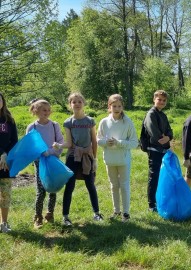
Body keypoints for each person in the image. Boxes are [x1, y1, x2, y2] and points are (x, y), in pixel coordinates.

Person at [53, 92, 103, 226]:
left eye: (79, 101)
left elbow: (94, 140)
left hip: (88, 157)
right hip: (73, 157)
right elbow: (69, 143)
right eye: (73, 102)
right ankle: (65, 216)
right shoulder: (68, 122)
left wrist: (95, 158)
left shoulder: (90, 121)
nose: (77, 104)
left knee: (90, 185)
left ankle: (97, 213)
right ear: (70, 105)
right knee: (69, 186)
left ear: (83, 103)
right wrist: (59, 145)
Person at [97, 94, 138, 222]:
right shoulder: (104, 122)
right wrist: (105, 142)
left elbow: (134, 143)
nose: (116, 108)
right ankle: (116, 210)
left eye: (119, 106)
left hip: (123, 160)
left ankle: (126, 213)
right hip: (109, 159)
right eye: (114, 106)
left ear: (122, 107)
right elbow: (98, 139)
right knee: (114, 185)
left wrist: (119, 142)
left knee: (124, 185)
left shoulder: (128, 122)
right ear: (109, 107)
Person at [26, 99, 64, 229]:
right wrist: (41, 154)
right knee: (41, 190)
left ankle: (50, 214)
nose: (47, 112)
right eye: (44, 110)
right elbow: (29, 147)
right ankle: (38, 217)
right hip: (39, 162)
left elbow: (60, 143)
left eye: (48, 110)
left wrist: (51, 151)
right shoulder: (32, 127)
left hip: (54, 160)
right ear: (36, 111)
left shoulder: (55, 125)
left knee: (53, 188)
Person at [143, 90, 173, 212]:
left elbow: (170, 131)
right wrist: (165, 139)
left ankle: (160, 199)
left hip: (163, 150)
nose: (161, 102)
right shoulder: (151, 114)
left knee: (162, 176)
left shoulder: (163, 115)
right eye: (159, 99)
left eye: (164, 100)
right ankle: (151, 204)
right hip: (154, 149)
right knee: (154, 176)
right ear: (154, 100)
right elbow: (153, 132)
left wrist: (169, 137)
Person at [0, 93, 18, 233]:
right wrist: (2, 153)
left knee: (5, 194)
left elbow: (14, 141)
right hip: (3, 157)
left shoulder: (9, 120)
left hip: (6, 164)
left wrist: (7, 155)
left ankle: (4, 224)